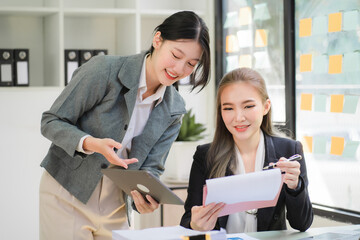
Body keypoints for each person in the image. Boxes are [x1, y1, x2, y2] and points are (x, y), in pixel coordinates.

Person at [39, 11, 210, 240]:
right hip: (67, 193)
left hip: (117, 206)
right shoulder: (105, 70)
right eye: (176, 55)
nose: (179, 69)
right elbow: (51, 121)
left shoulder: (174, 108)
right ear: (157, 40)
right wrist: (92, 143)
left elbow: (152, 167)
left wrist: (145, 199)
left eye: (191, 64)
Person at [180, 68, 313, 233]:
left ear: (266, 107)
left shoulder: (289, 150)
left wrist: (295, 186)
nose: (238, 118)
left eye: (248, 106)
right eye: (228, 108)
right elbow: (187, 220)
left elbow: (302, 224)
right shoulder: (205, 156)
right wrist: (195, 225)